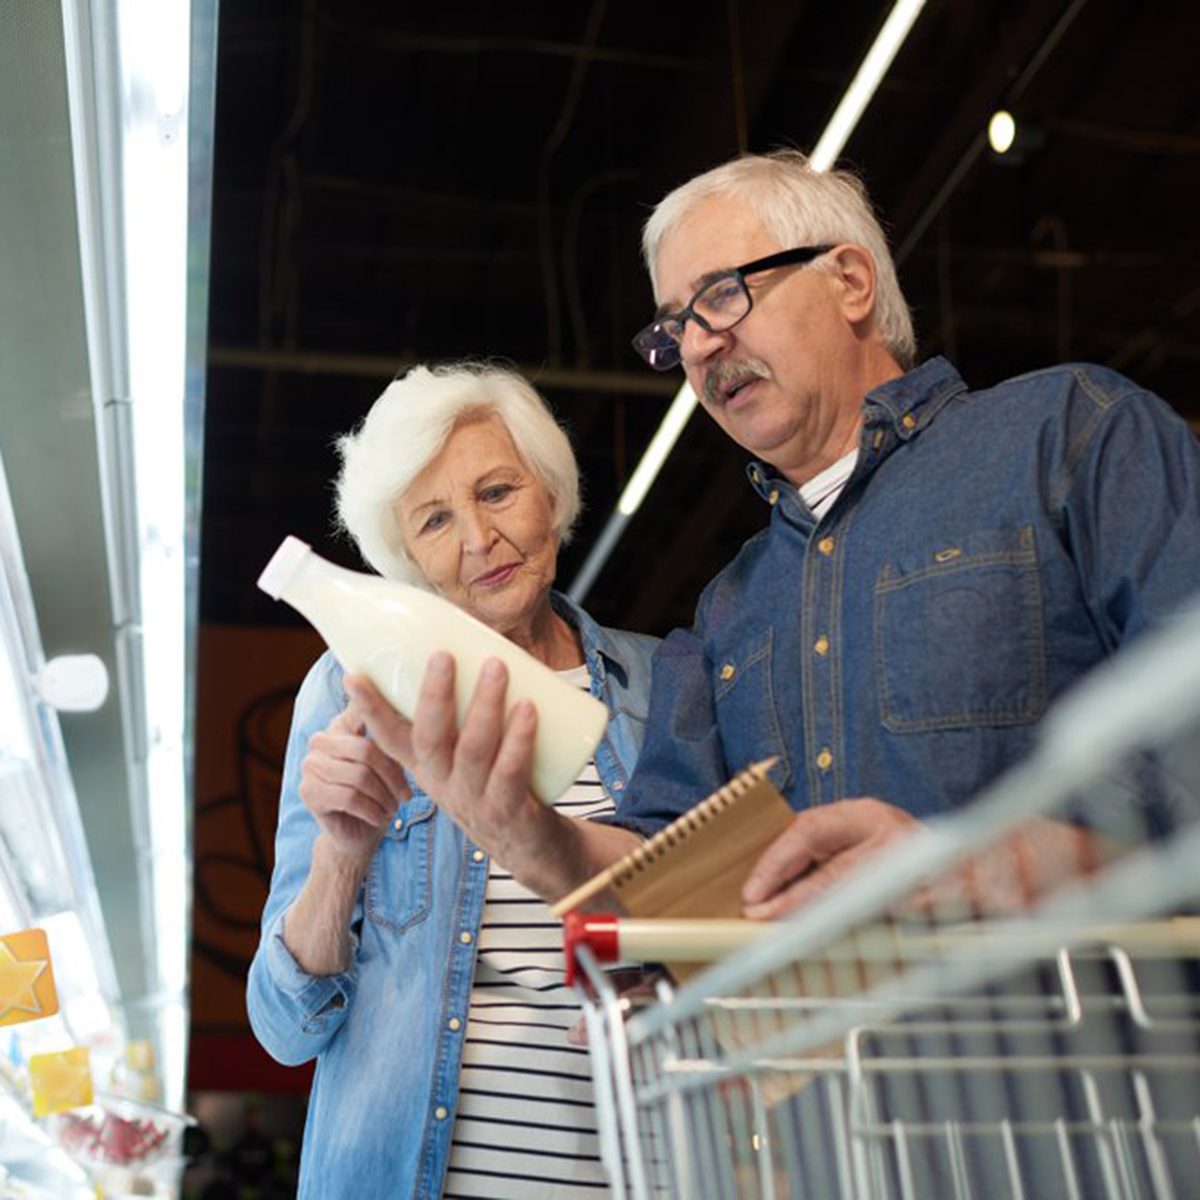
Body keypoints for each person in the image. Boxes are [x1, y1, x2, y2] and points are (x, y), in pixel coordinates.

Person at [346, 150, 1200, 921]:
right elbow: (669, 877)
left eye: (723, 293)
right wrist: (530, 837)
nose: (700, 344)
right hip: (833, 1051)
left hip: (1090, 1034)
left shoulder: (1072, 435)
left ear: (851, 282)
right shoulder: (727, 613)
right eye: (675, 328)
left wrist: (983, 869)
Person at [246, 363, 658, 1199]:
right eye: (435, 520)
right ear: (408, 558)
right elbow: (284, 1029)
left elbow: (723, 941)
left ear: (550, 493)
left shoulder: (660, 683)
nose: (478, 537)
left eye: (498, 491)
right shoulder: (351, 692)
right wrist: (342, 855)